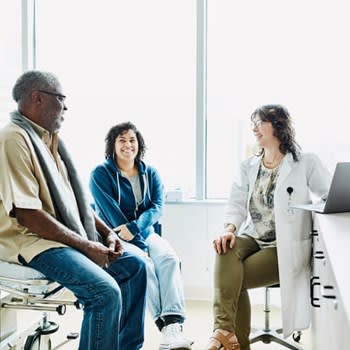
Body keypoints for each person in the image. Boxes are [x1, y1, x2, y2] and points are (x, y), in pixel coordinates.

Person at [0, 71, 147, 350]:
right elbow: (27, 214)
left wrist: (108, 235)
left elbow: (74, 204)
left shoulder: (50, 142)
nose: (65, 107)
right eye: (61, 99)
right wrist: (87, 246)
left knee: (135, 267)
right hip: (32, 241)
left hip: (57, 236)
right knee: (103, 293)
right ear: (37, 98)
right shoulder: (13, 139)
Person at [205, 104, 331, 350]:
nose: (253, 128)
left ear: (278, 126)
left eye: (259, 122)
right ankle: (225, 332)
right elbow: (237, 203)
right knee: (224, 247)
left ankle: (226, 337)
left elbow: (328, 195)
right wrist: (229, 229)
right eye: (252, 123)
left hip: (283, 244)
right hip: (252, 236)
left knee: (233, 280)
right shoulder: (248, 166)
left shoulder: (305, 162)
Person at [89, 122, 193, 350]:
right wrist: (135, 239)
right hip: (115, 237)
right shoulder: (100, 174)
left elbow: (157, 207)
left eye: (132, 140)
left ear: (139, 144)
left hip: (145, 233)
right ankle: (162, 322)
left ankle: (173, 327)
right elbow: (110, 214)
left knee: (168, 259)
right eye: (122, 140)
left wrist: (137, 229)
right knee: (144, 265)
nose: (128, 145)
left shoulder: (150, 172)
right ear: (113, 145)